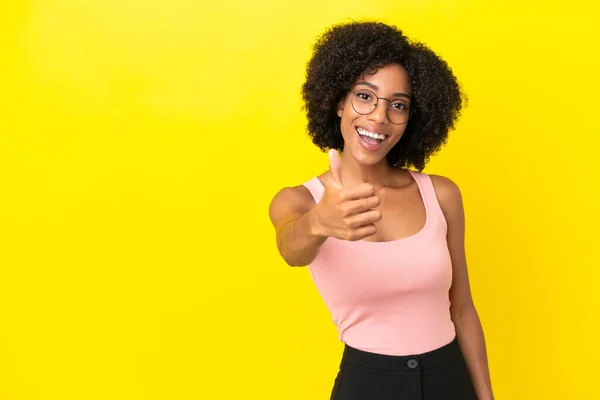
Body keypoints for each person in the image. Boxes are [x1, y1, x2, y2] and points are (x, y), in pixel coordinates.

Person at [268, 21, 493, 400]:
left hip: (450, 379)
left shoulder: (441, 194)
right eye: (365, 96)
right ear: (339, 101)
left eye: (398, 105)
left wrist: (486, 396)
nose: (378, 117)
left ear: (412, 119)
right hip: (368, 384)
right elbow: (291, 248)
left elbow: (464, 309)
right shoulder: (301, 201)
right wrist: (319, 222)